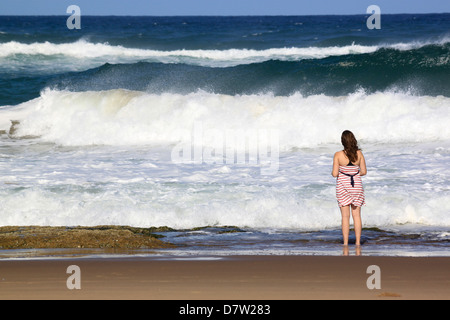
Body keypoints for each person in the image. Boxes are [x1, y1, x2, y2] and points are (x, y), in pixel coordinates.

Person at [332, 130, 367, 247]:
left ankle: (346, 243)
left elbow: (335, 173)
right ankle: (357, 242)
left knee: (345, 217)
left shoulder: (338, 155)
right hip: (356, 186)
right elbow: (363, 171)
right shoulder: (359, 154)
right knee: (357, 216)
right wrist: (353, 173)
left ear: (342, 141)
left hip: (343, 187)